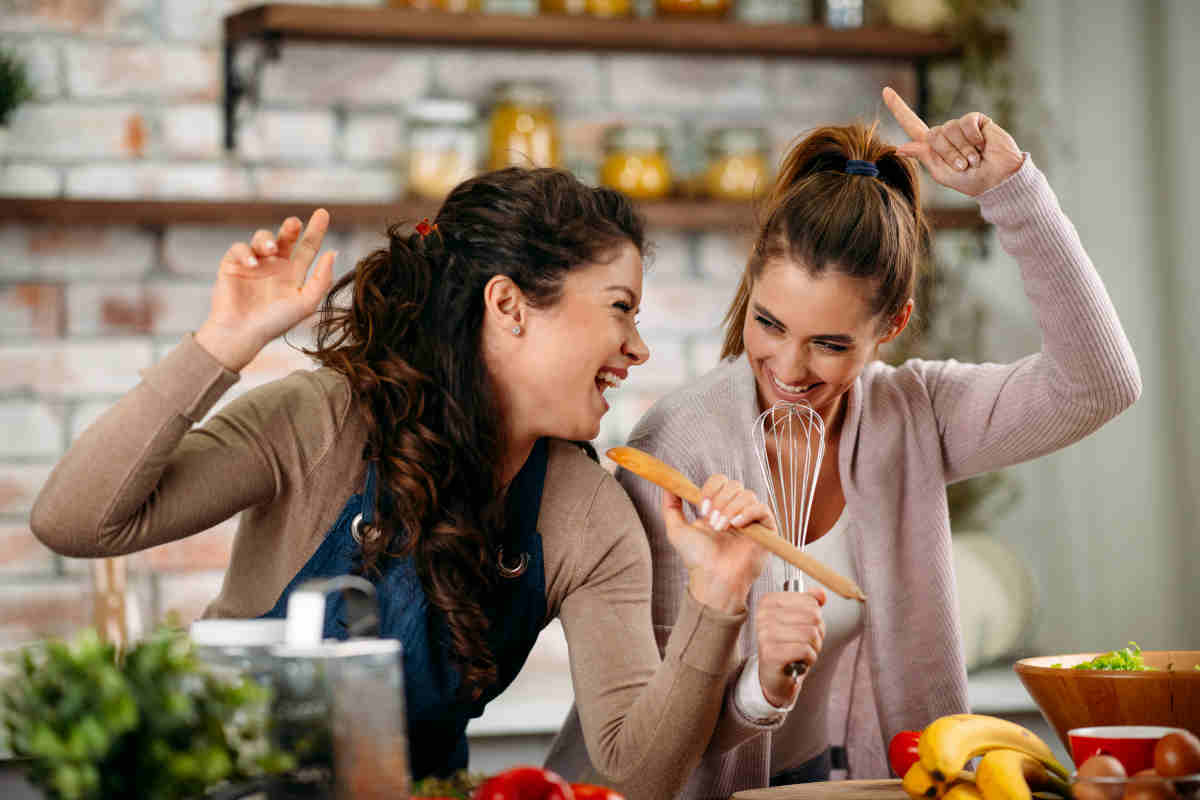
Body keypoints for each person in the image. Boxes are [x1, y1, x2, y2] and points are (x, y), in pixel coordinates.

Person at [29, 167, 778, 799]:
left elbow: (635, 772)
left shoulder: (588, 515)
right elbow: (75, 522)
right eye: (621, 309)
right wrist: (221, 346)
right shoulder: (321, 421)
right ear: (509, 305)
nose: (637, 349)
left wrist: (716, 603)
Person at [546, 88, 1141, 798]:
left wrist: (1014, 194)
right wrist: (759, 681)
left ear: (892, 326)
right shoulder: (679, 447)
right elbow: (655, 747)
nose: (790, 369)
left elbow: (1099, 383)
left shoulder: (913, 413)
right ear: (751, 287)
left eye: (829, 344)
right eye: (769, 324)